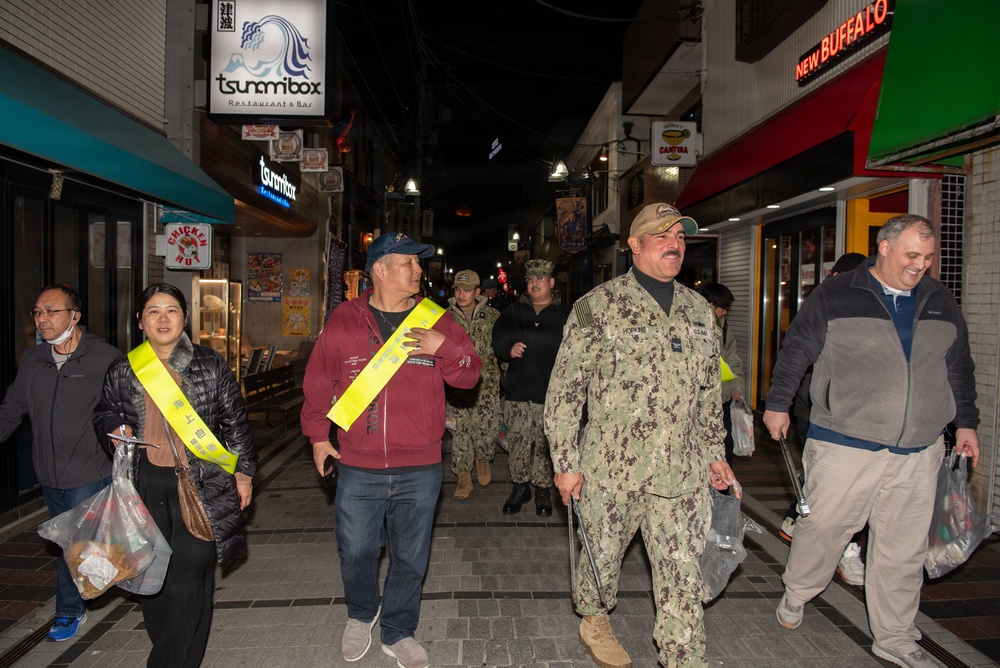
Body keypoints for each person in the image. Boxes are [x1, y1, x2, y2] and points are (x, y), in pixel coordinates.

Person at [763, 215, 979, 668]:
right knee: (824, 529)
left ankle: (895, 637)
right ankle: (798, 591)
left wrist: (966, 423)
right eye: (911, 256)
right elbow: (797, 349)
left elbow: (958, 366)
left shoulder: (940, 300)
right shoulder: (838, 294)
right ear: (884, 248)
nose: (920, 266)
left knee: (903, 549)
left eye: (928, 257)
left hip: (919, 450)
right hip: (845, 442)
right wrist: (778, 403)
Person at [545, 203, 739, 668]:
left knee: (681, 571)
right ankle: (594, 617)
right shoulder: (597, 307)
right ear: (634, 245)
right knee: (603, 559)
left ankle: (683, 656)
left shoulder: (699, 312)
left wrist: (716, 453)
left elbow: (709, 391)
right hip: (611, 469)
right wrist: (566, 463)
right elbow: (565, 393)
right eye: (661, 236)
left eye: (680, 236)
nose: (674, 244)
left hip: (682, 471)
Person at [301, 233, 481, 668]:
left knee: (410, 555)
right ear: (379, 270)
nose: (419, 271)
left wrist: (445, 348)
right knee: (357, 549)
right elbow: (319, 381)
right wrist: (319, 436)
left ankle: (399, 630)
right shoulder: (344, 318)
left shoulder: (436, 320)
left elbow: (470, 375)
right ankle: (362, 613)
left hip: (420, 464)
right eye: (408, 264)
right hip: (359, 464)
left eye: (419, 265)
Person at [93, 283, 257, 667]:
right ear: (140, 321)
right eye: (153, 311)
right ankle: (181, 655)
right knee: (156, 584)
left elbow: (235, 423)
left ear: (185, 318)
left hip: (201, 484)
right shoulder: (124, 368)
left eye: (171, 310)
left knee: (187, 578)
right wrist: (115, 428)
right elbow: (104, 412)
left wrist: (244, 475)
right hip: (145, 484)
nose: (163, 319)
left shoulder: (209, 363)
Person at [0, 285, 122, 641]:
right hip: (48, 474)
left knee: (74, 542)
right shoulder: (33, 360)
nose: (42, 319)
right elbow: (11, 409)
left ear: (74, 316)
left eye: (51, 311)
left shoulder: (103, 357)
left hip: (90, 469)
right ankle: (112, 576)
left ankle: (69, 611)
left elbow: (125, 404)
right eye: (37, 312)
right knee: (78, 544)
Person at [780, 251, 869, 587]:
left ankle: (797, 519)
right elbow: (796, 356)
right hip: (816, 412)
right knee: (835, 487)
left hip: (857, 418)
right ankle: (835, 551)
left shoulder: (870, 307)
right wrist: (782, 404)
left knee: (842, 487)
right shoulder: (822, 304)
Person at [491, 259, 571, 516]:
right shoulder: (514, 311)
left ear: (551, 282)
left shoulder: (567, 313)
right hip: (518, 393)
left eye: (540, 279)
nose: (534, 284)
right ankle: (520, 487)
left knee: (546, 446)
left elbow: (588, 343)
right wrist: (507, 349)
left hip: (550, 396)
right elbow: (498, 339)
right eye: (530, 280)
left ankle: (543, 491)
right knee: (517, 444)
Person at [445, 269, 503, 499]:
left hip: (486, 385)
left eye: (467, 290)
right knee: (460, 431)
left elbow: (501, 348)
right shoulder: (445, 318)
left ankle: (483, 460)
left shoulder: (492, 317)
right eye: (458, 289)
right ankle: (463, 475)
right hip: (457, 387)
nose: (461, 294)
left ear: (477, 292)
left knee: (486, 428)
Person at [697, 283, 745, 466]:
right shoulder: (689, 325)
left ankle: (723, 490)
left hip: (721, 398)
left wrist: (737, 387)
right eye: (723, 308)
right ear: (710, 305)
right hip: (698, 400)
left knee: (724, 446)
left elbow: (732, 360)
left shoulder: (724, 329)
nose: (725, 313)